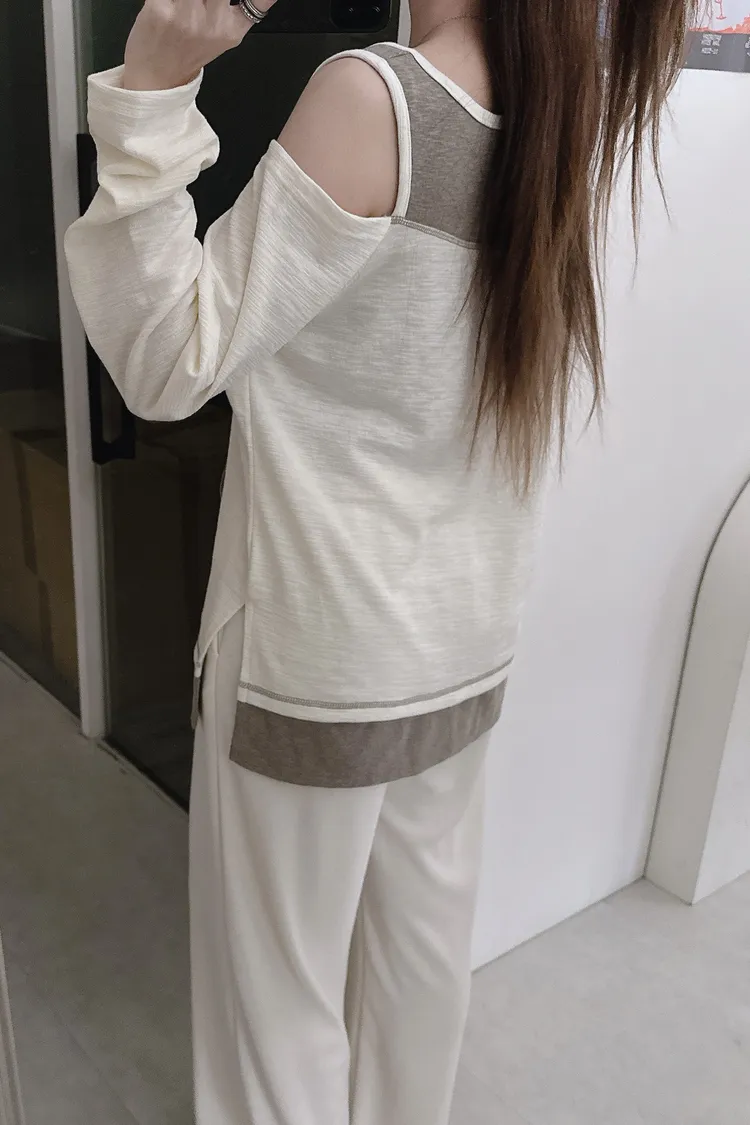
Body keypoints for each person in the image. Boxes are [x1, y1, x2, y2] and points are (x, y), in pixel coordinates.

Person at [64, 0, 695, 1121]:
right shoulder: (562, 112)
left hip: (315, 661)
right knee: (418, 964)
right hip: (463, 644)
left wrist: (152, 85)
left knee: (279, 1013)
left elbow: (166, 361)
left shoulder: (379, 99)